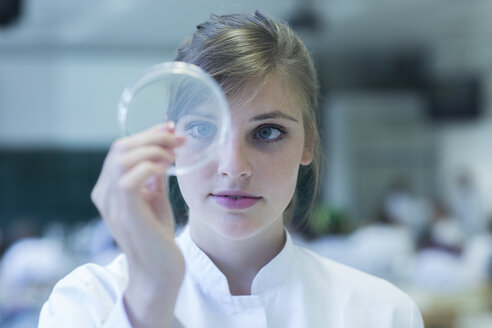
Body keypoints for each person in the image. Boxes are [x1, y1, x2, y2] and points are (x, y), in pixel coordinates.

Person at [39, 12, 423, 328]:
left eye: (268, 132)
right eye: (203, 129)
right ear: (170, 141)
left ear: (308, 143)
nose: (233, 167)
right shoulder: (88, 302)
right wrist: (151, 297)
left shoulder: (383, 313)